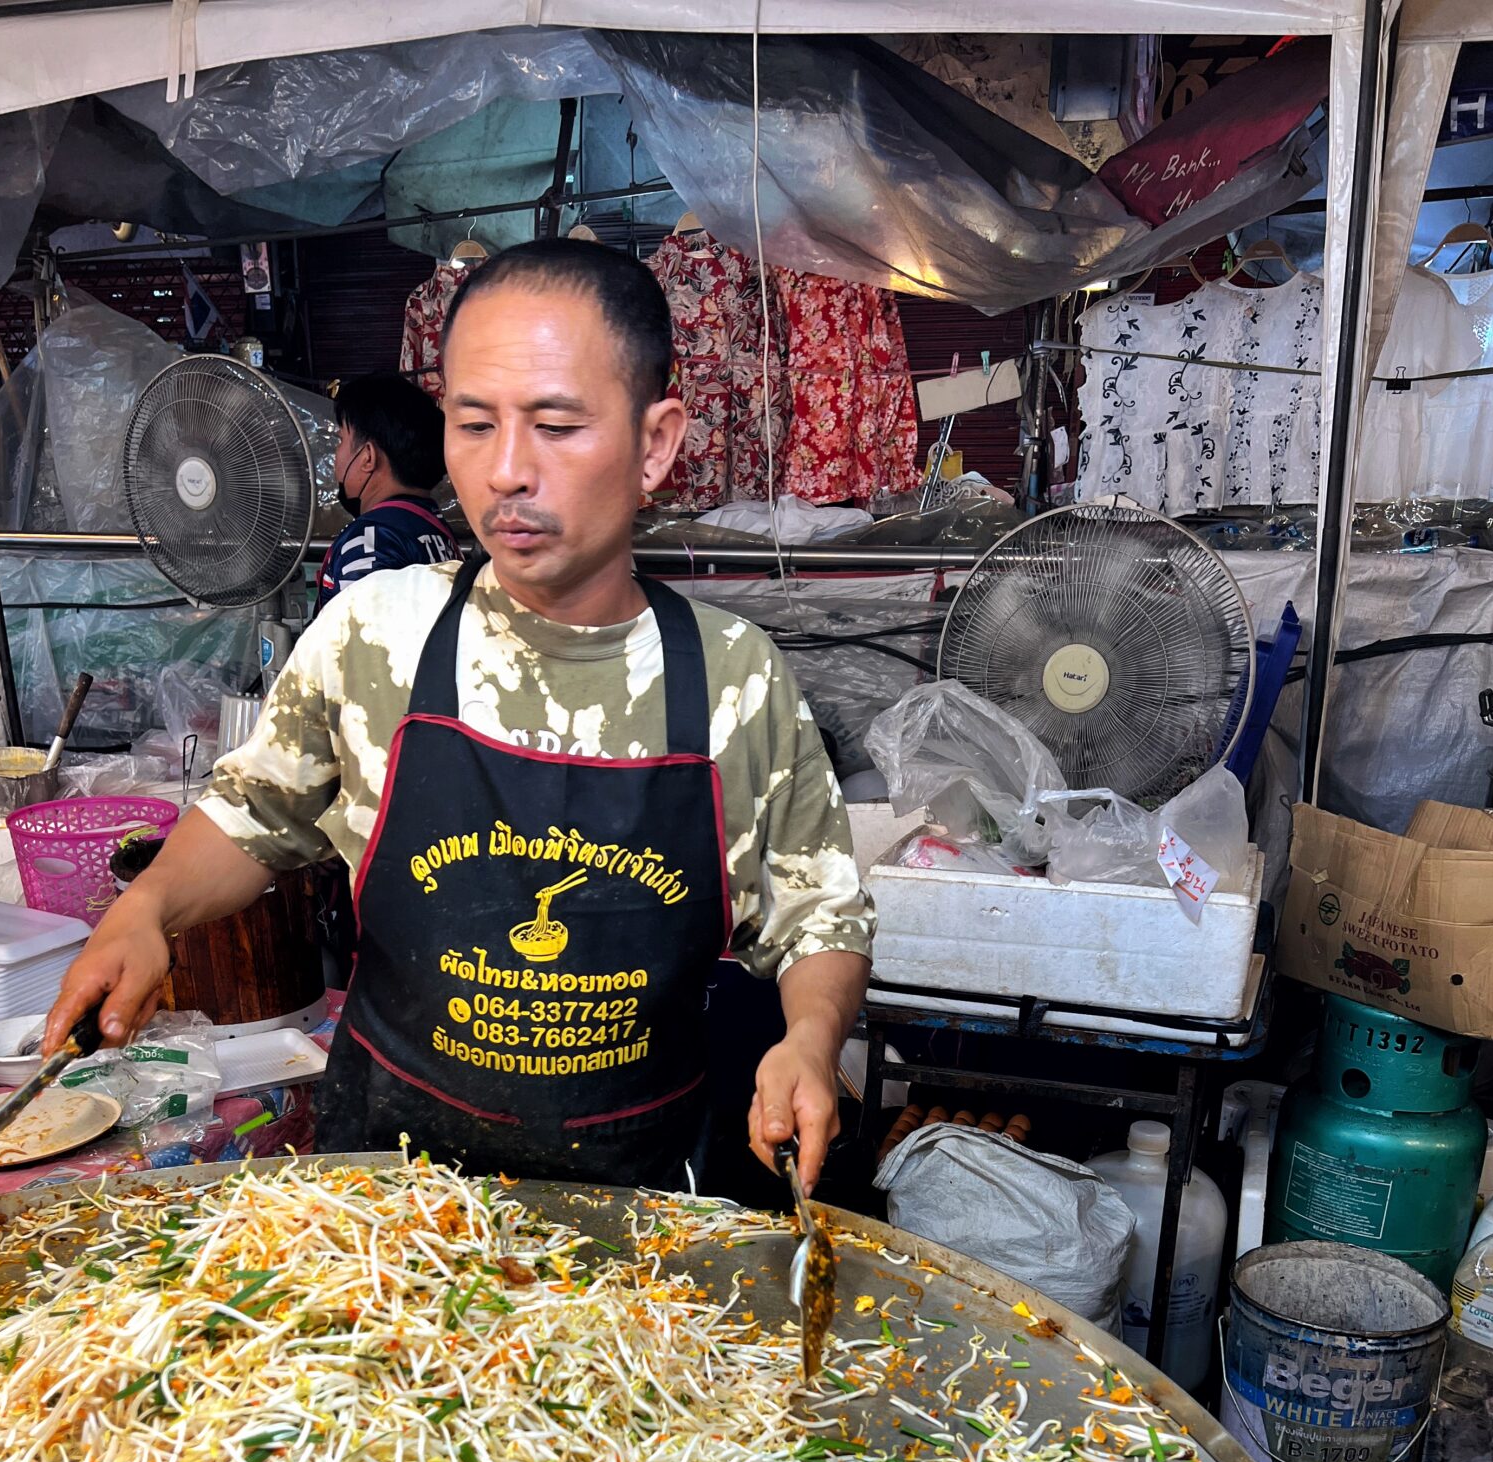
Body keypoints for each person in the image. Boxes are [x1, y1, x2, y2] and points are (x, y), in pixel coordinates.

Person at [44, 238, 874, 1193]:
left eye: (556, 427)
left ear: (656, 444)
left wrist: (808, 1040)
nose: (506, 472)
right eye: (473, 424)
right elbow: (251, 817)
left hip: (633, 1207)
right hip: (389, 1194)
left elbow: (821, 920)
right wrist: (148, 907)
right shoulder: (378, 635)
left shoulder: (733, 679)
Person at [316, 372, 458, 610]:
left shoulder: (371, 539)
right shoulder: (437, 532)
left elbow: (360, 642)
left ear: (368, 457)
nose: (336, 456)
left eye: (341, 440)